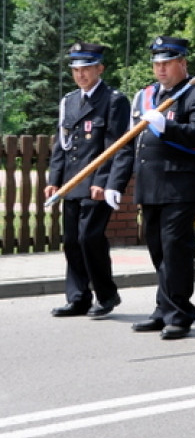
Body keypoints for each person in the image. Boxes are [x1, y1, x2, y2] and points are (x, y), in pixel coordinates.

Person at [107, 36, 195, 339]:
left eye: (167, 63)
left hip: (180, 186)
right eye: (157, 64)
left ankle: (179, 315)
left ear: (182, 63)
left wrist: (166, 126)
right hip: (150, 186)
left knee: (175, 251)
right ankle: (163, 309)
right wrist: (116, 183)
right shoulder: (144, 97)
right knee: (158, 250)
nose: (161, 69)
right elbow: (129, 144)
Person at [45, 42, 131, 318]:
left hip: (96, 182)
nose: (80, 74)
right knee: (72, 241)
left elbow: (115, 146)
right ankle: (78, 297)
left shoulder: (114, 100)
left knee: (89, 238)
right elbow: (62, 144)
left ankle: (106, 295)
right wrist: (54, 179)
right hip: (72, 181)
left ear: (100, 68)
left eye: (86, 68)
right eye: (76, 69)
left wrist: (104, 182)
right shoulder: (69, 101)